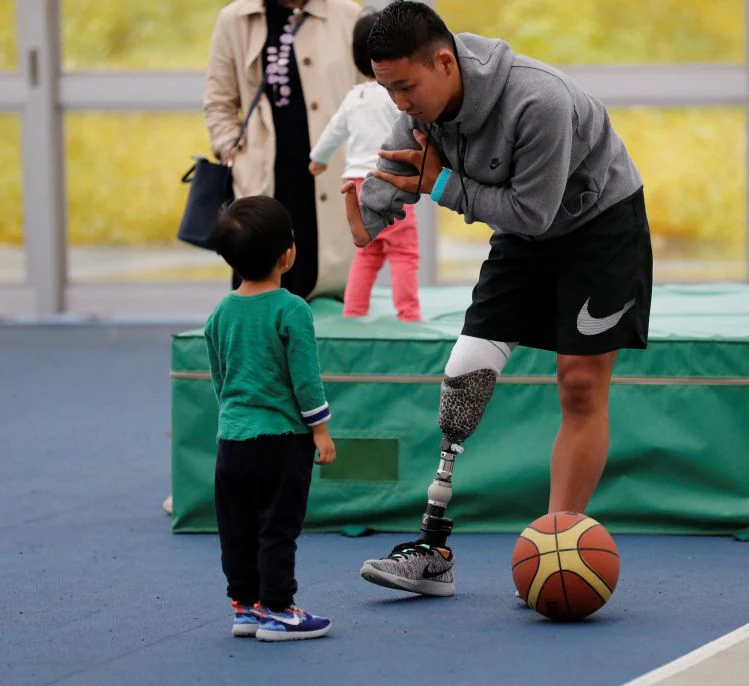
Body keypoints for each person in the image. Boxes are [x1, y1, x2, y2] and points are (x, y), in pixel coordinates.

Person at [342, 1, 652, 597]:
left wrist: (439, 184)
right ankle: (432, 551)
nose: (400, 104)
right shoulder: (416, 101)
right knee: (463, 379)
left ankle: (559, 542)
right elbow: (390, 177)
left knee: (580, 385)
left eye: (405, 87)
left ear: (443, 61)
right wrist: (358, 222)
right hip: (523, 229)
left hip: (599, 227)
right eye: (388, 91)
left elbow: (532, 214)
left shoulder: (540, 101)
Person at [204, 195, 337, 640]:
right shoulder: (292, 309)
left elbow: (219, 377)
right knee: (277, 528)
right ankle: (279, 610)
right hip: (281, 442)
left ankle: (245, 608)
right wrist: (319, 430)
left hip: (233, 441)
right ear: (288, 254)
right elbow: (305, 379)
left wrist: (234, 417)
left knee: (236, 529)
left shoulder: (221, 312)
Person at [204, 0, 362, 300]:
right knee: (259, 303)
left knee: (326, 299)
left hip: (328, 183)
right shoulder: (235, 19)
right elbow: (219, 101)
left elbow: (372, 92)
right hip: (262, 187)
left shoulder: (348, 16)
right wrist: (234, 156)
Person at [309, 10, 421, 322]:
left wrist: (318, 159)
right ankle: (408, 313)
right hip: (389, 181)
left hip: (355, 186)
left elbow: (334, 130)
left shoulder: (355, 96)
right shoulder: (396, 96)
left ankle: (353, 310)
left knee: (367, 251)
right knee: (403, 251)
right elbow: (417, 130)